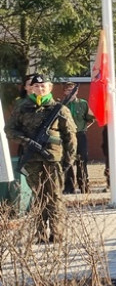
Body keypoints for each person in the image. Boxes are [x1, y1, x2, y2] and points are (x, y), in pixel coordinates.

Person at [7, 74, 76, 243]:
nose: (40, 89)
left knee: (54, 197)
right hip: (32, 160)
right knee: (38, 197)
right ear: (31, 88)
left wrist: (69, 161)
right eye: (37, 86)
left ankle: (57, 233)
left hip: (53, 159)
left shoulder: (60, 109)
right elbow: (10, 130)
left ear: (50, 88)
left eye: (43, 86)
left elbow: (70, 137)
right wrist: (27, 141)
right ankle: (40, 234)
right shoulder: (22, 107)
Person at [61, 82, 95, 194]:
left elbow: (90, 118)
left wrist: (83, 128)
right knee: (67, 161)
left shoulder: (83, 103)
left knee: (82, 161)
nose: (71, 92)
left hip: (80, 135)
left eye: (73, 90)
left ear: (77, 91)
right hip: (66, 136)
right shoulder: (61, 105)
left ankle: (84, 186)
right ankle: (69, 186)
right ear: (64, 92)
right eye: (68, 90)